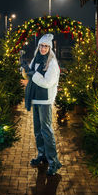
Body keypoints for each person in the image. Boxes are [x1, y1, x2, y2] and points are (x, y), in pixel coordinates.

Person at [21, 33, 62, 176]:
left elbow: (47, 83)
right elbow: (30, 74)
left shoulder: (52, 63)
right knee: (38, 130)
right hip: (35, 99)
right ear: (38, 46)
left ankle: (53, 162)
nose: (43, 48)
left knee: (46, 131)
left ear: (50, 48)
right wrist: (25, 69)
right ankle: (42, 155)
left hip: (45, 101)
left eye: (46, 46)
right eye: (41, 45)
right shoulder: (36, 59)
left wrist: (30, 79)